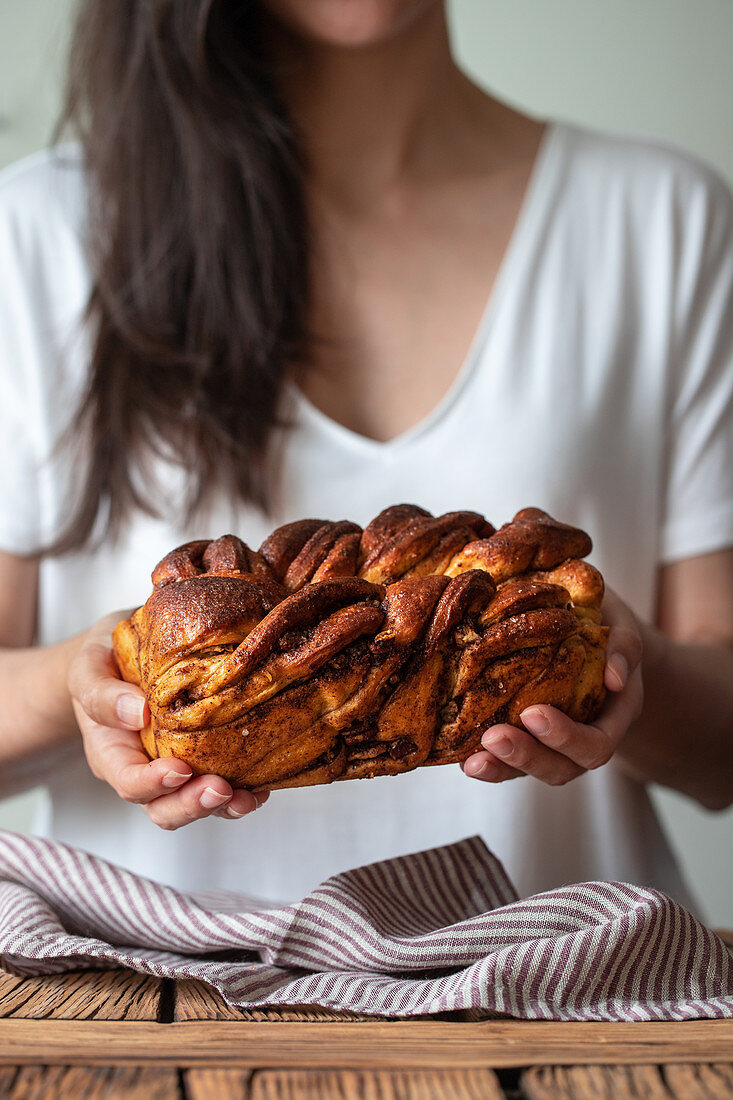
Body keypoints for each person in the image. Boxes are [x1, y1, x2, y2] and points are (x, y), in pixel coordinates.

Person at [0, 0, 731, 905]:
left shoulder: (659, 220)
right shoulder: (37, 234)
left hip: (573, 1005)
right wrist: (93, 687)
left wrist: (627, 664)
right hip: (150, 1015)